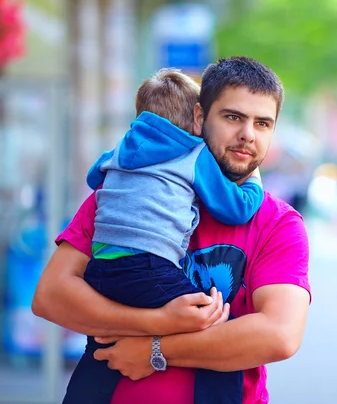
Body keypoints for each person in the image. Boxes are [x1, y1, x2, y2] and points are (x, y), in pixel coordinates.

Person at [32, 56, 311, 404]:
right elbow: (50, 298)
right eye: (233, 117)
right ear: (199, 117)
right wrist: (157, 321)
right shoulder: (124, 195)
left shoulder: (277, 223)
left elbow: (278, 334)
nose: (247, 135)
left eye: (263, 123)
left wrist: (153, 350)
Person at [65, 68, 264, 404]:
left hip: (99, 268)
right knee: (212, 325)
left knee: (102, 342)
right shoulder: (193, 152)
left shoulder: (120, 150)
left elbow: (92, 177)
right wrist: (255, 178)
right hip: (148, 266)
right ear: (196, 117)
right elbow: (238, 209)